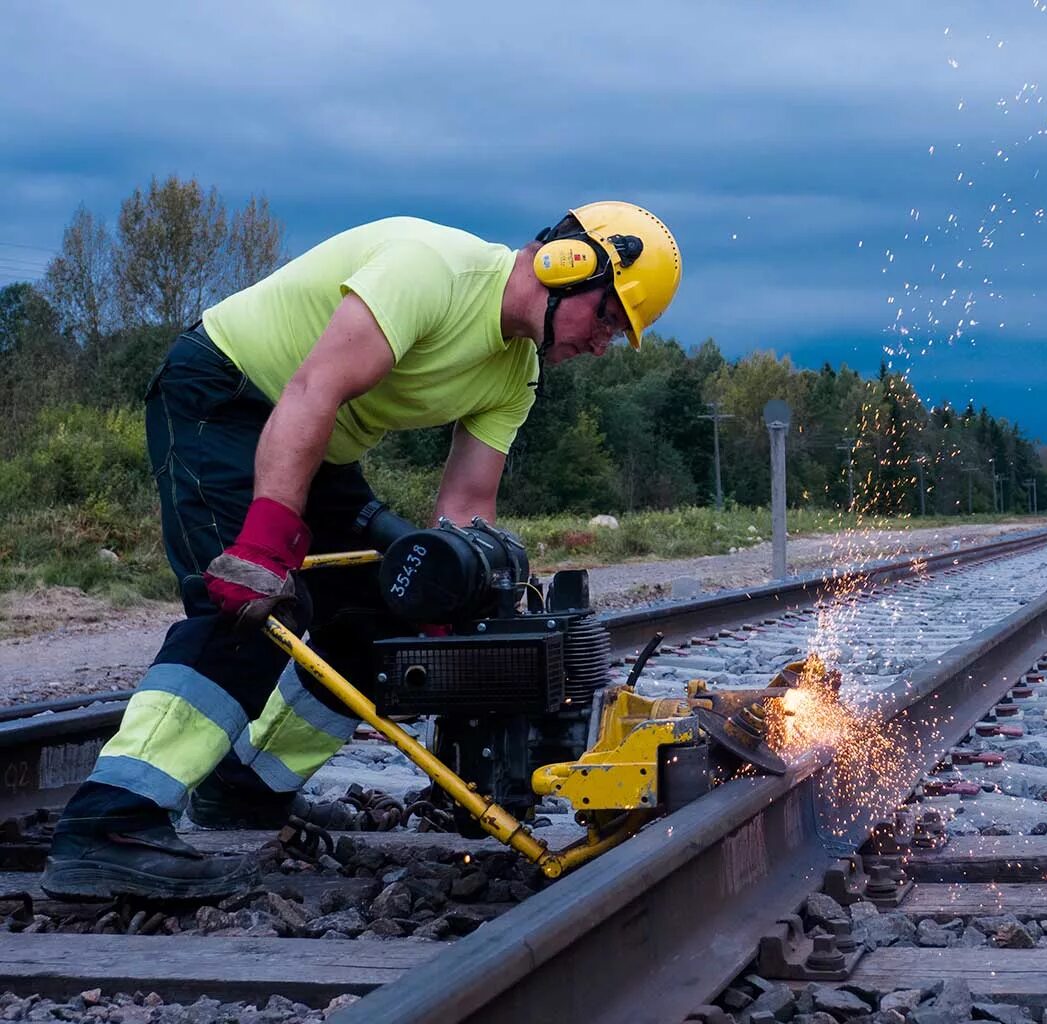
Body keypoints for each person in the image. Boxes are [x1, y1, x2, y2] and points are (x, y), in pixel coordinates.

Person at [41, 202, 682, 900]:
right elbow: (315, 388)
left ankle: (245, 789)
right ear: (572, 264)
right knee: (256, 608)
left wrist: (466, 598)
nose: (603, 346)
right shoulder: (432, 269)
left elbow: (466, 508)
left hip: (318, 442)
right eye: (610, 321)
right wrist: (267, 536)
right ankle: (110, 826)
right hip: (223, 397)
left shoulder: (515, 374)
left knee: (388, 613)